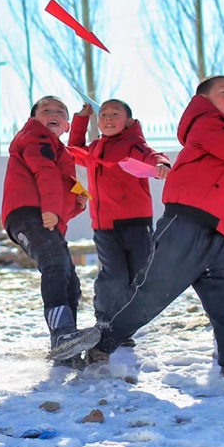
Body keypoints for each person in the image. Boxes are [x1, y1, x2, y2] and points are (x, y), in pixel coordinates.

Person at [53, 76, 224, 384]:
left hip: (217, 236)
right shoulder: (206, 123)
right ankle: (99, 345)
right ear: (204, 100)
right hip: (185, 226)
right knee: (151, 294)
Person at [67, 99, 169, 331]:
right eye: (103, 115)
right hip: (104, 227)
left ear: (129, 121)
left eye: (115, 114)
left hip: (136, 225)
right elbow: (74, 149)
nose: (109, 118)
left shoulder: (134, 145)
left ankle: (126, 324)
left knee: (137, 276)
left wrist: (162, 164)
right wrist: (82, 118)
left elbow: (153, 156)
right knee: (113, 277)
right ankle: (105, 321)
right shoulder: (95, 148)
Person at [1, 96, 88, 365]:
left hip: (44, 215)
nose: (53, 113)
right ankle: (62, 334)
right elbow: (45, 172)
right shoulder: (35, 137)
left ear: (66, 124)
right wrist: (51, 208)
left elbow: (60, 191)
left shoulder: (60, 149)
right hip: (28, 213)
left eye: (60, 112)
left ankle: (67, 345)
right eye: (45, 110)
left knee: (69, 280)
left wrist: (76, 204)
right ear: (34, 117)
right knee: (53, 265)